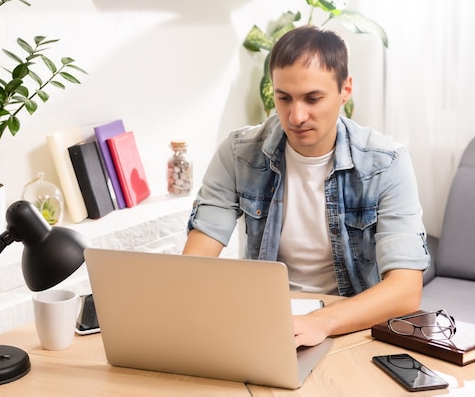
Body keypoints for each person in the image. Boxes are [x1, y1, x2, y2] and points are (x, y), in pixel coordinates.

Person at [183, 25, 430, 347]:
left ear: (346, 89)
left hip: (351, 322)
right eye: (284, 98)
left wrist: (320, 323)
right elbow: (195, 262)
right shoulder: (239, 152)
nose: (296, 116)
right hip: (267, 320)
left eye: (313, 98)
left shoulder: (385, 163)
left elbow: (406, 290)